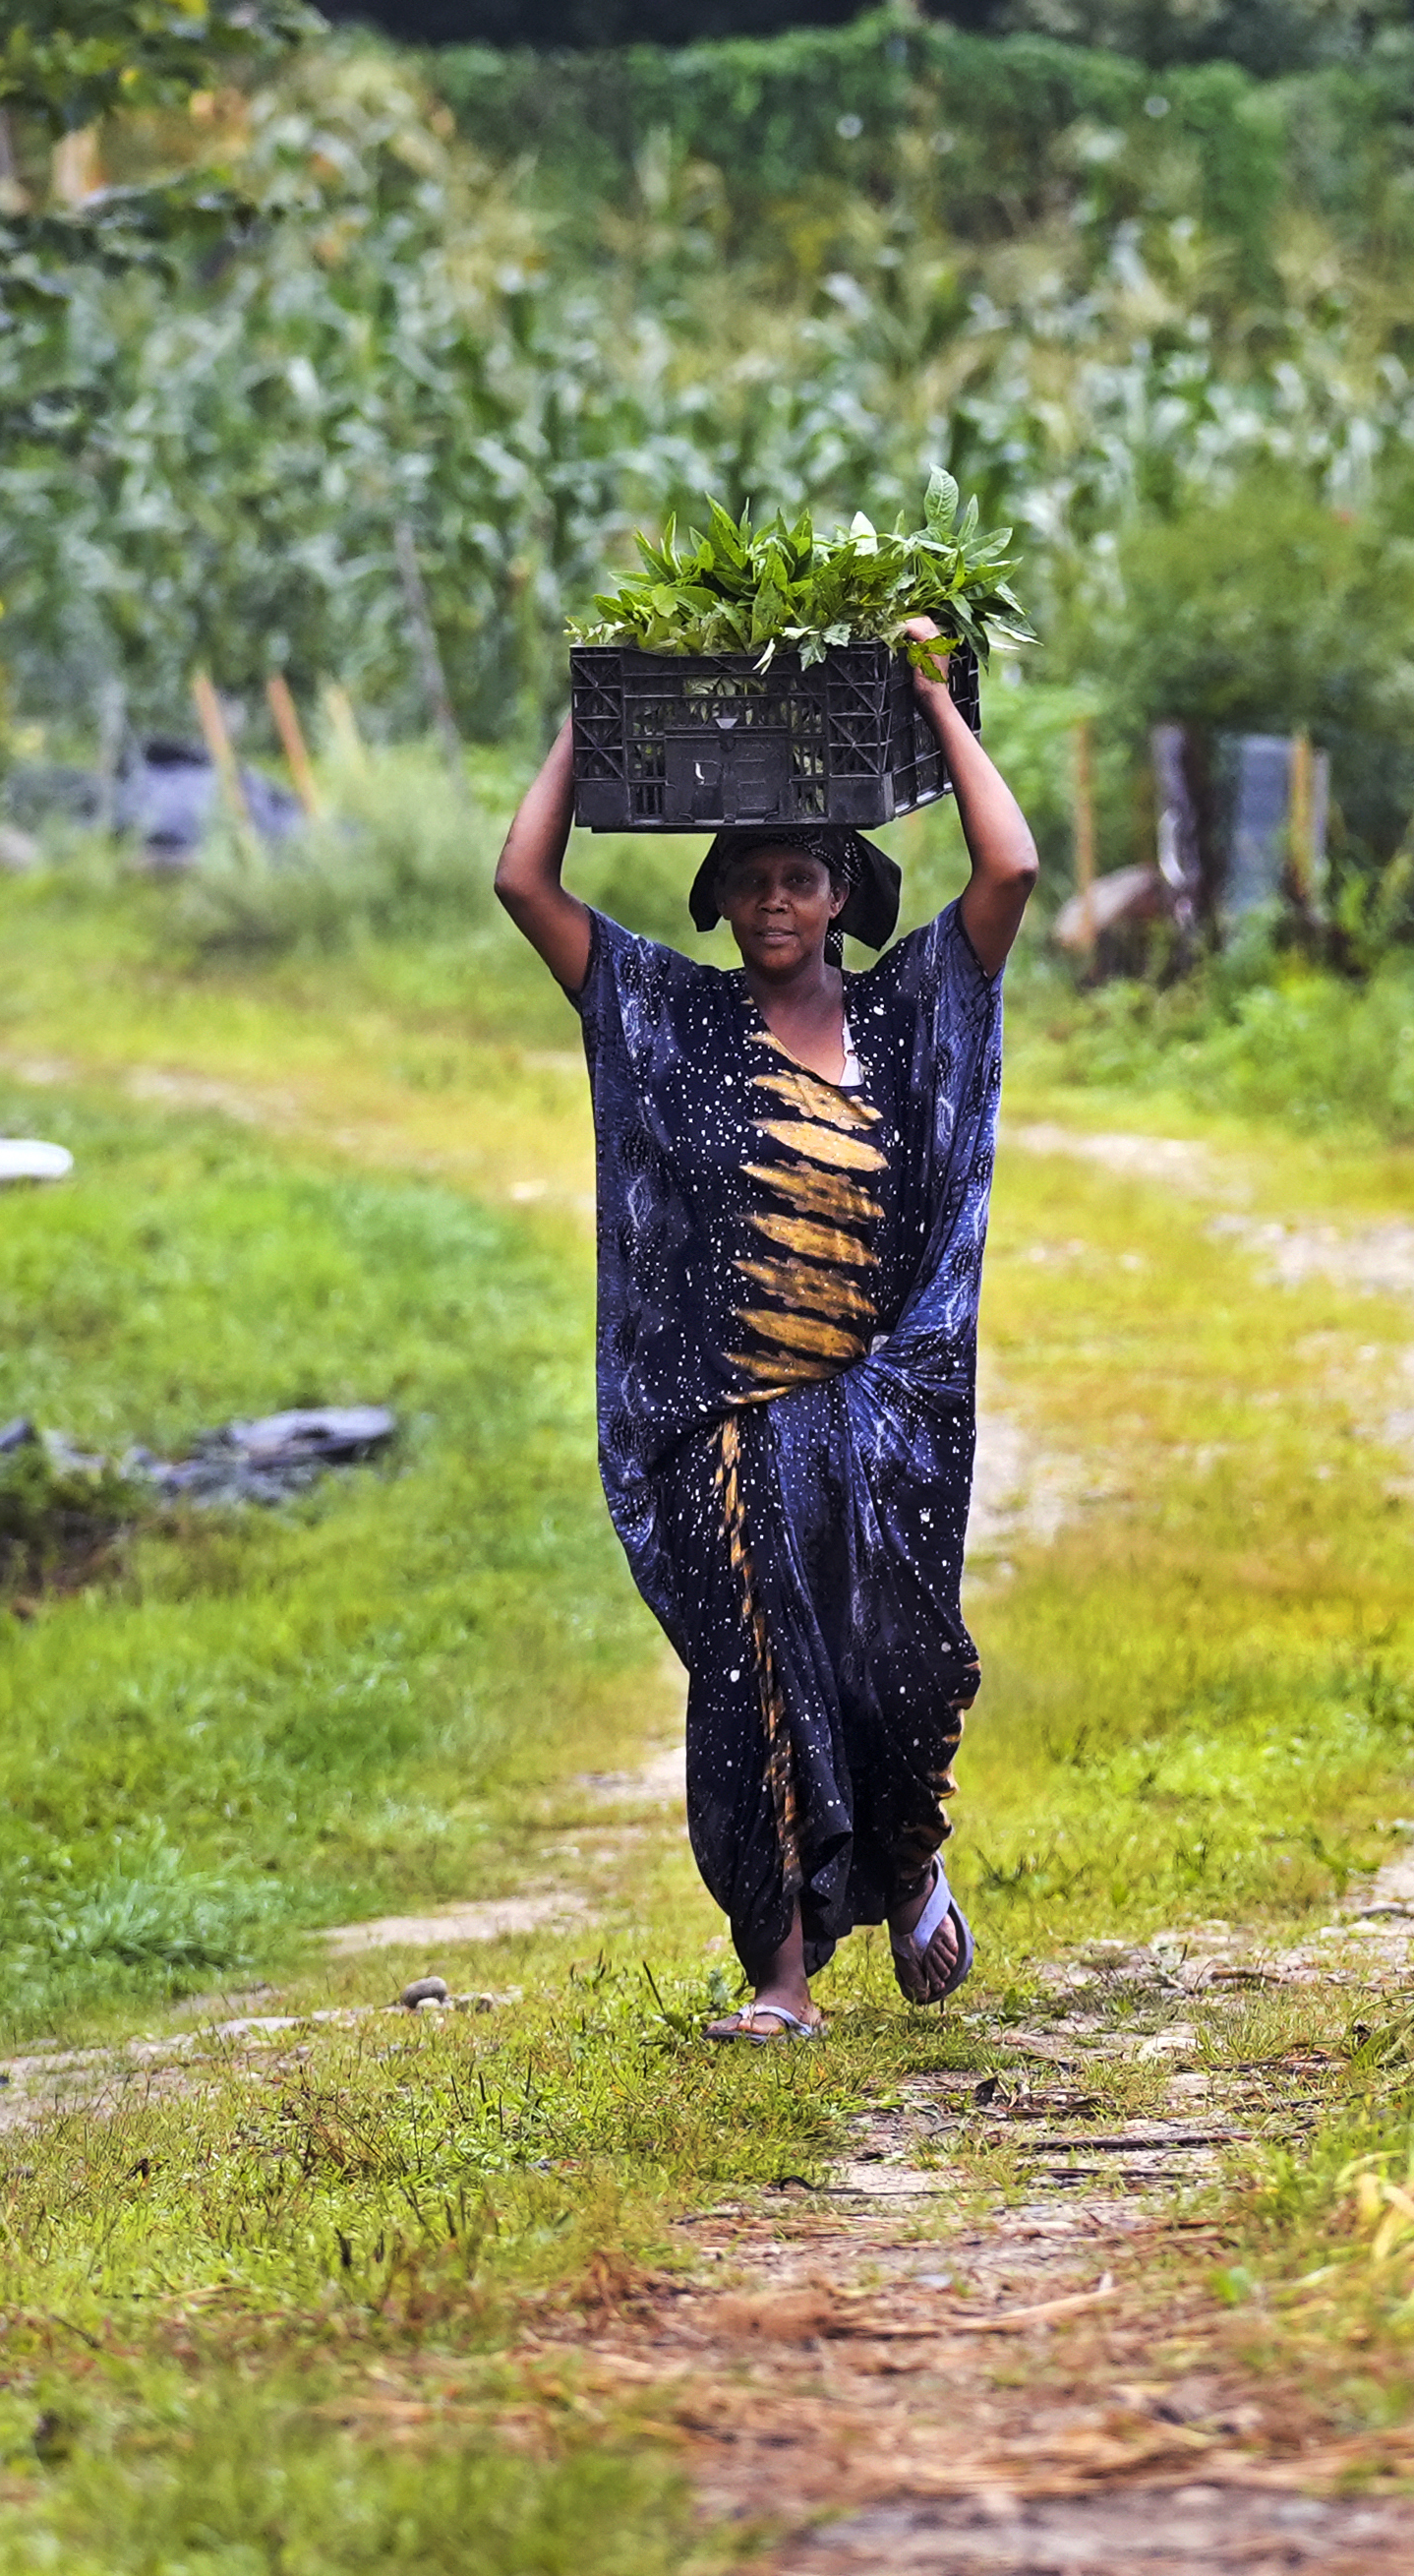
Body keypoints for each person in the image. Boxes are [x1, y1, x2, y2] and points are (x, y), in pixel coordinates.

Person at [494, 618, 1036, 2041]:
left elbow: (1013, 868)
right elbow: (519, 879)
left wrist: (929, 689)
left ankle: (910, 1859)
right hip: (724, 1420)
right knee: (750, 1684)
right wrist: (589, 714)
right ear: (723, 902)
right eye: (751, 882)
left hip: (874, 1424)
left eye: (800, 878)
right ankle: (778, 1979)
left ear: (840, 892)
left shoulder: (913, 1013)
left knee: (891, 1668)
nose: (775, 902)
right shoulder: (668, 1016)